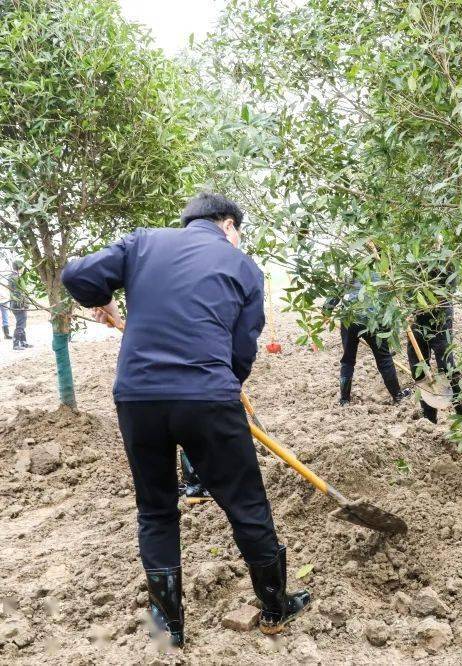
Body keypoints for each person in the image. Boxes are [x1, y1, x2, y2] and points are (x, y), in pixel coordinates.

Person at [61, 193, 310, 647]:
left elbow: (76, 275)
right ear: (229, 226)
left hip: (137, 398)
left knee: (156, 510)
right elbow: (241, 350)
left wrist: (105, 301)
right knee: (246, 503)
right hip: (207, 398)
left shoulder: (142, 244)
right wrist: (223, 389)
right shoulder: (245, 269)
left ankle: (169, 628)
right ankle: (275, 606)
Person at [329, 277, 410, 406]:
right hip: (374, 319)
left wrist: (327, 309)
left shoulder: (351, 269)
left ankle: (344, 400)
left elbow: (337, 291)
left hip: (350, 318)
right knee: (384, 359)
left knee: (348, 361)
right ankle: (397, 396)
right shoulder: (382, 269)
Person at [406, 263, 462, 423]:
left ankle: (460, 412)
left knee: (446, 366)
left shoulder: (444, 260)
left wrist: (433, 298)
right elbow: (406, 286)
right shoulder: (411, 259)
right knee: (417, 367)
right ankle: (429, 417)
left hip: (440, 317)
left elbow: (450, 287)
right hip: (418, 317)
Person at [7, 260, 31, 351]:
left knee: (22, 323)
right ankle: (16, 344)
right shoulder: (16, 277)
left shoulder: (12, 276)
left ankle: (23, 343)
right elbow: (19, 293)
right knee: (21, 323)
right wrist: (24, 303)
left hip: (16, 303)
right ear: (19, 267)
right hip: (18, 304)